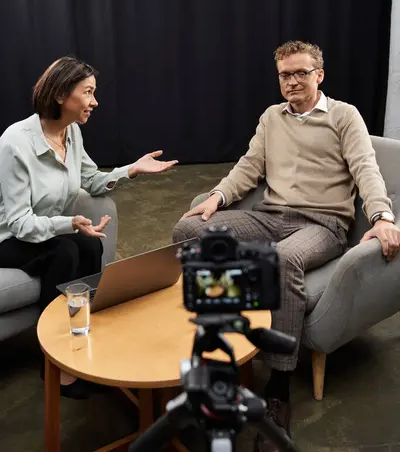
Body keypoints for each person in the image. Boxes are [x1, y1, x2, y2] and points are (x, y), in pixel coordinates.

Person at [172, 40, 400, 451]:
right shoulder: (271, 118)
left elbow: (367, 168)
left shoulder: (344, 116)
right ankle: (224, 344)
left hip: (323, 222)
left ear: (319, 75)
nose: (293, 81)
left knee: (282, 260)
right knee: (187, 232)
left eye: (301, 72)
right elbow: (248, 167)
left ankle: (278, 388)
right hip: (270, 215)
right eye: (285, 74)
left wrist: (382, 216)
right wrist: (217, 197)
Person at [0, 56, 178, 399]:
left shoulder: (72, 133)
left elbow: (92, 180)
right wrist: (69, 223)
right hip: (9, 234)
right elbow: (20, 223)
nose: (95, 102)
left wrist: (132, 170)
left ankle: (84, 333)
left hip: (45, 228)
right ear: (61, 95)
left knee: (90, 246)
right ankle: (55, 362)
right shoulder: (15, 143)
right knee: (66, 250)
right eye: (88, 92)